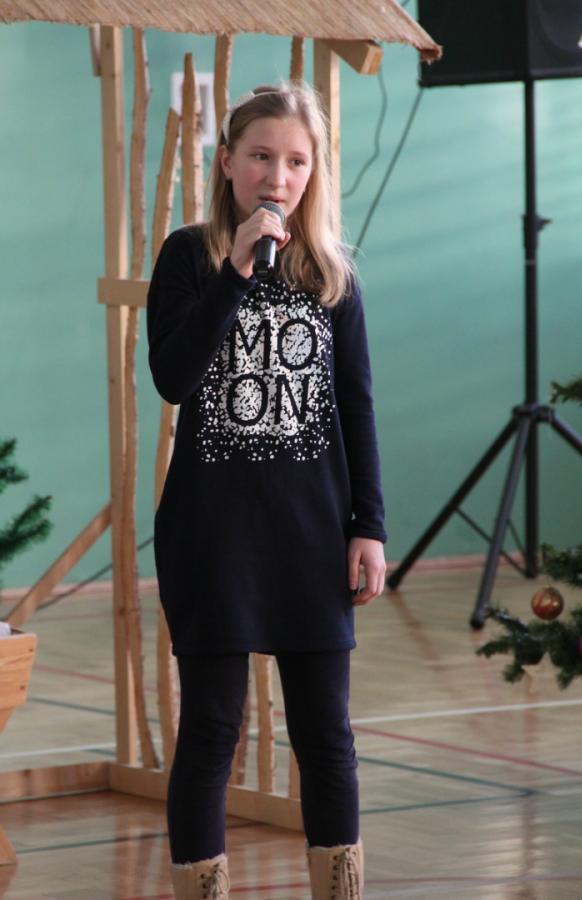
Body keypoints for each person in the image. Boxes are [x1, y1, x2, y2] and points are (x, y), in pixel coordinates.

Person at [146, 81, 387, 900]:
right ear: (226, 163)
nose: (276, 177)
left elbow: (356, 405)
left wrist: (369, 524)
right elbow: (174, 377)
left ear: (315, 172)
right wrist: (237, 272)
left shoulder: (332, 275)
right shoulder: (188, 257)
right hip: (213, 537)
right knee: (212, 730)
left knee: (326, 736)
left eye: (295, 161)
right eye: (259, 156)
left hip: (311, 535)